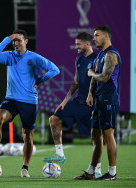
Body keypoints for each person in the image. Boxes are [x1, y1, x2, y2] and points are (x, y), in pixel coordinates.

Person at [0, 30, 60, 177]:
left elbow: (55, 69)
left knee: (27, 135)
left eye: (19, 40)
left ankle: (25, 168)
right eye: (14, 41)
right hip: (11, 99)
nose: (16, 43)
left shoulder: (34, 57)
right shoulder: (9, 56)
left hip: (28, 101)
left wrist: (40, 80)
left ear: (26, 41)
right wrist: (7, 39)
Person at [43, 32, 102, 178]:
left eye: (78, 44)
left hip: (92, 103)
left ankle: (98, 170)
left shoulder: (98, 59)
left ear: (87, 43)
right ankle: (60, 154)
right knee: (54, 119)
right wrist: (64, 101)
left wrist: (98, 105)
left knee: (95, 137)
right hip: (78, 101)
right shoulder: (79, 59)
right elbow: (76, 82)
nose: (76, 47)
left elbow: (101, 83)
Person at [75, 25, 121, 180]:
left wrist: (92, 73)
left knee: (108, 134)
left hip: (109, 98)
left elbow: (104, 77)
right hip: (98, 100)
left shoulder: (111, 55)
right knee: (95, 135)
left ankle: (112, 173)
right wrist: (90, 93)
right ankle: (90, 172)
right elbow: (94, 79)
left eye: (96, 35)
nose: (93, 38)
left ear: (106, 36)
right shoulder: (99, 56)